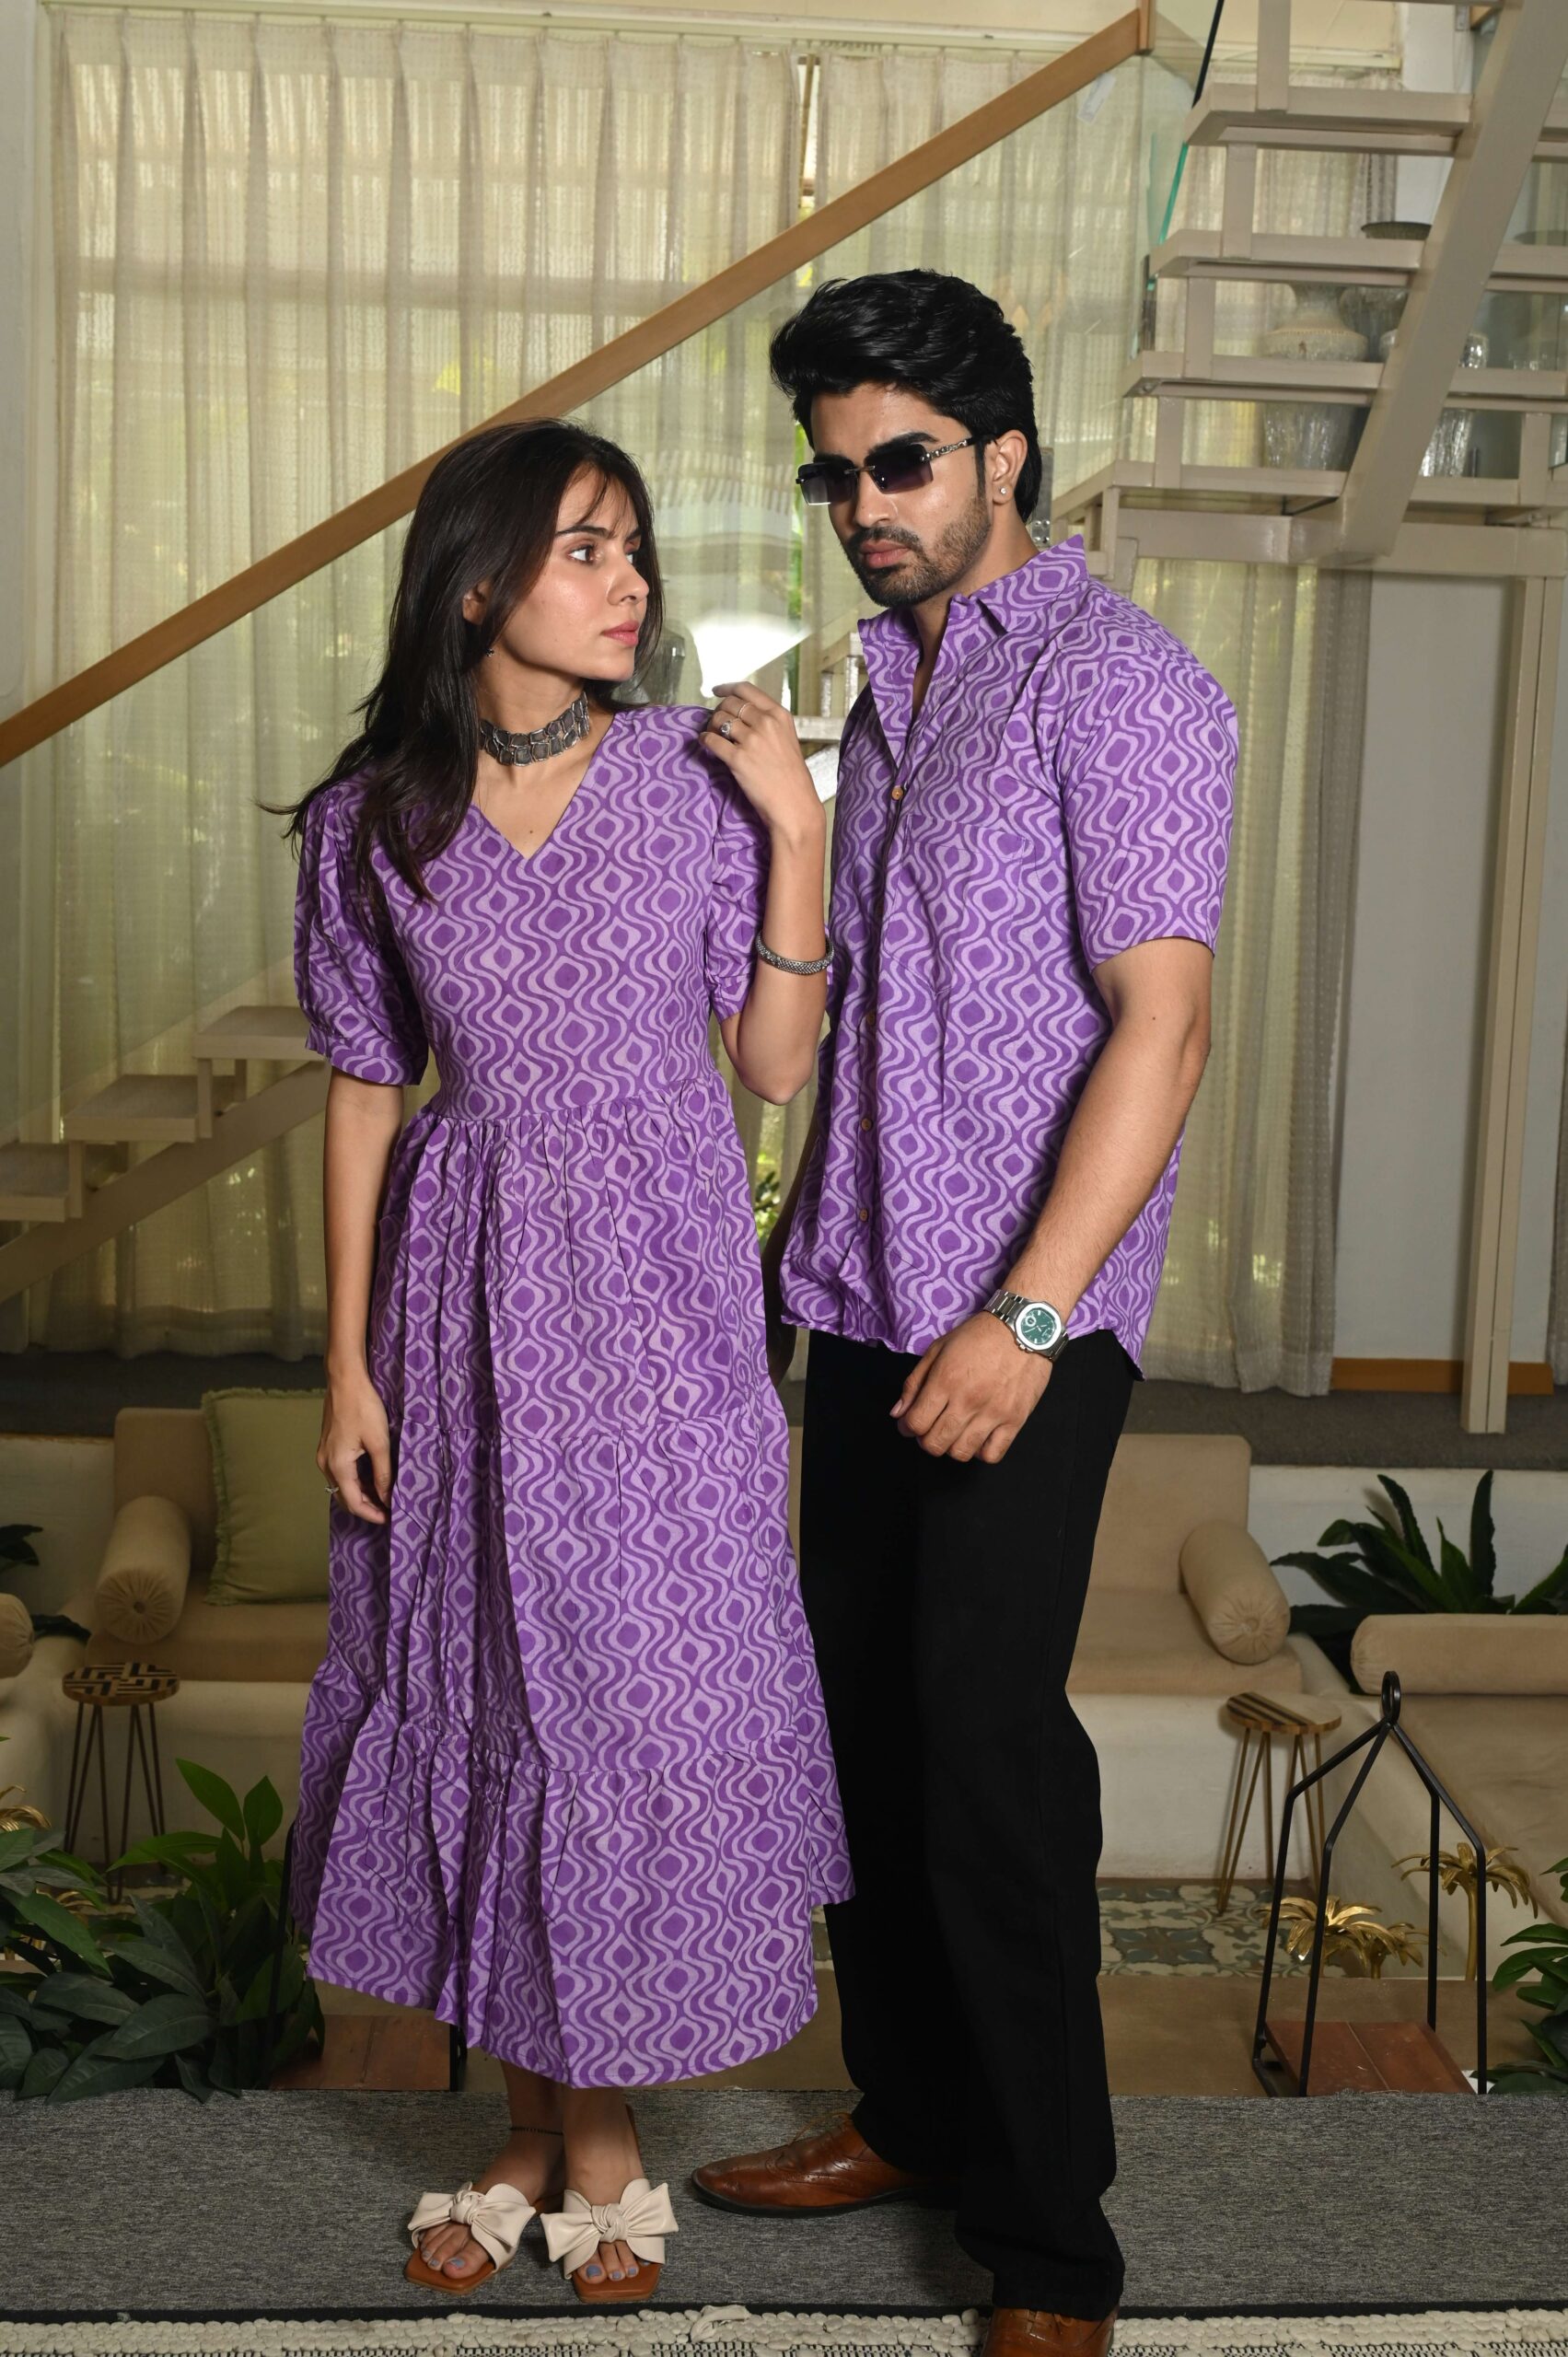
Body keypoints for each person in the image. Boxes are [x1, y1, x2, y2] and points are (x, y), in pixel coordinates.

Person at [691, 271, 1237, 2357]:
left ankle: (1049, 2248)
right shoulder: (893, 686)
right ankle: (911, 2117)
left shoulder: (1128, 684)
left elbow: (1162, 1028)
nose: (864, 507)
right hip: (857, 1293)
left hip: (1020, 1318)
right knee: (864, 1739)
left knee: (988, 1754)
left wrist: (1025, 1312)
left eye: (900, 463)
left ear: (1007, 452)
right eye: (834, 476)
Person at [283, 417, 852, 2303]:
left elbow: (772, 1065)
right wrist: (348, 1366)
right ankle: (549, 2134)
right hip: (458, 1295)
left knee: (621, 1694)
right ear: (476, 584)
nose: (631, 584)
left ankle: (572, 2135)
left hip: (661, 1302)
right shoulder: (372, 824)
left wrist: (797, 835)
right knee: (487, 1685)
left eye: (634, 550)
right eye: (585, 549)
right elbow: (365, 1091)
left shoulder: (694, 782)